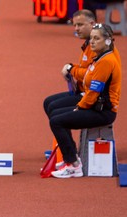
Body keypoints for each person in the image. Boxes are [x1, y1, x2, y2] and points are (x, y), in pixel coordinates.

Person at [49, 23, 122, 178]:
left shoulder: (106, 62)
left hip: (103, 112)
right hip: (95, 107)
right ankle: (73, 158)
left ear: (108, 41)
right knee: (55, 114)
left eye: (96, 39)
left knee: (57, 122)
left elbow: (94, 91)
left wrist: (80, 107)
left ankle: (74, 165)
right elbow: (89, 80)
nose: (92, 42)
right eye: (91, 38)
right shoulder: (98, 58)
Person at [43, 9, 97, 118]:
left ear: (92, 24)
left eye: (80, 25)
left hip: (92, 96)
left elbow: (91, 74)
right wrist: (69, 66)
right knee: (48, 102)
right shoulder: (88, 43)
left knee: (55, 113)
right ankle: (60, 132)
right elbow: (85, 68)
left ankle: (60, 130)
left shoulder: (96, 46)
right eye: (75, 25)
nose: (77, 29)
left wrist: (71, 69)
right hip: (83, 90)